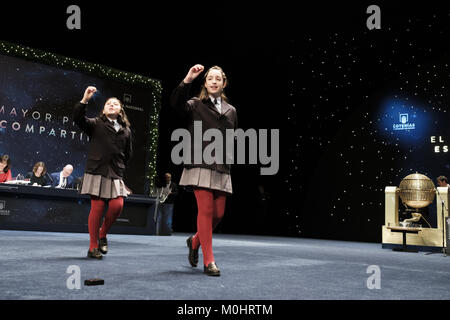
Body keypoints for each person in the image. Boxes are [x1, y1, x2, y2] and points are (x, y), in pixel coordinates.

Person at [170, 64, 237, 276]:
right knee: (206, 212)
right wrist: (188, 79)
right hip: (199, 162)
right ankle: (209, 261)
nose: (214, 81)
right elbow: (176, 104)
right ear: (205, 83)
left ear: (224, 83)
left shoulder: (231, 111)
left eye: (218, 78)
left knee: (219, 213)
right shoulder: (196, 104)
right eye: (210, 79)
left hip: (221, 166)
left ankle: (195, 240)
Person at [73, 86, 133, 259]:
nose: (112, 105)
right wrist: (85, 100)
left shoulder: (126, 130)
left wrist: (121, 169)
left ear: (121, 109)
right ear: (104, 109)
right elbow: (78, 118)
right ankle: (93, 247)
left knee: (117, 205)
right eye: (108, 104)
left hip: (115, 173)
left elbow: (128, 154)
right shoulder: (96, 124)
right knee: (97, 208)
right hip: (96, 170)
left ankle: (103, 233)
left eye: (115, 104)